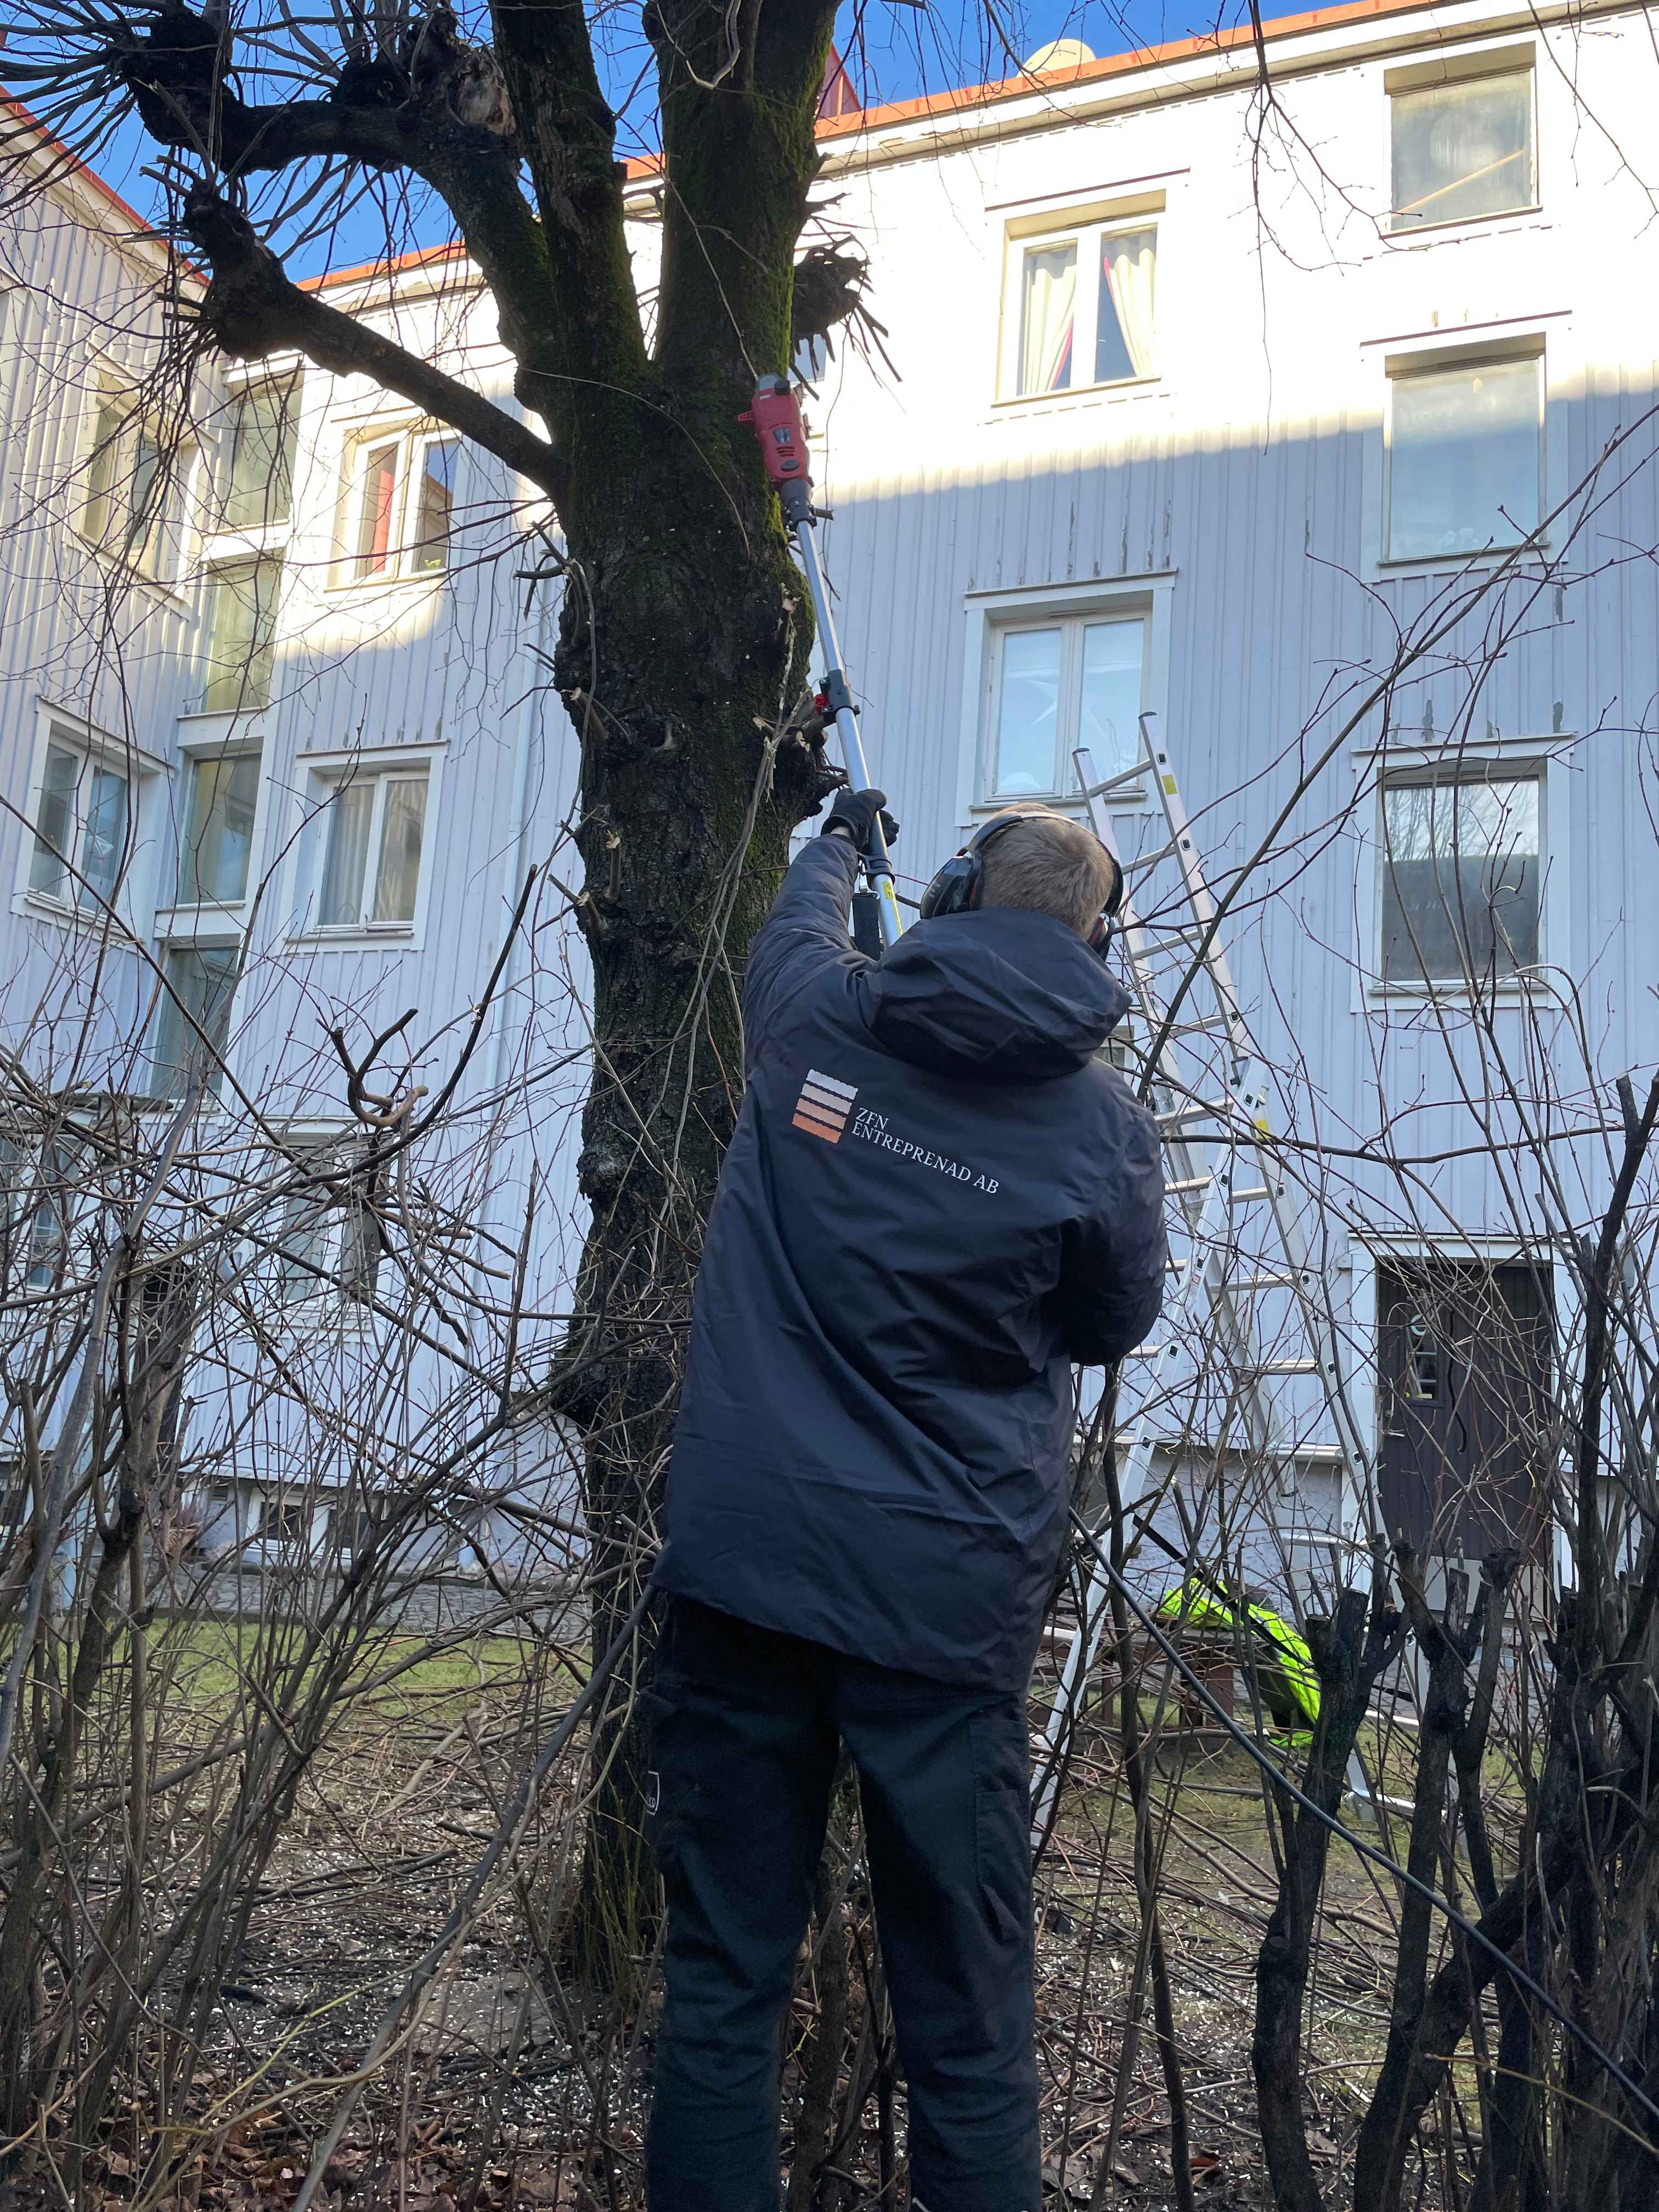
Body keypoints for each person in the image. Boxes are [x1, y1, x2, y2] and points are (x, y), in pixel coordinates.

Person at [645, 789, 1167, 2212]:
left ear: (946, 899)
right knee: (968, 2036)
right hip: (943, 1618)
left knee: (720, 1994)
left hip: (746, 1578)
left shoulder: (821, 1026)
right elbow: (1111, 1322)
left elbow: (792, 932)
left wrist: (834, 844)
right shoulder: (1100, 1135)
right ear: (1096, 946)